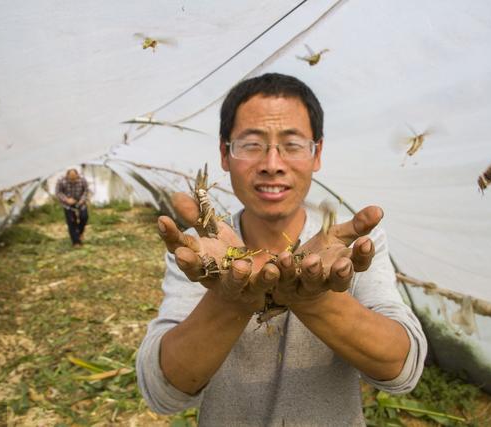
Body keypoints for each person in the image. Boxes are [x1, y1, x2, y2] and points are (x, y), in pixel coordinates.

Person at [136, 73, 427, 426]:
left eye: (292, 145)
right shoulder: (202, 251)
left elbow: (402, 368)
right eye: (251, 144)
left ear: (316, 153)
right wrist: (230, 300)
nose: (272, 164)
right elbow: (163, 389)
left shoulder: (348, 248)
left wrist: (314, 299)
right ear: (224, 154)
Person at [55, 168, 89, 246]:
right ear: (67, 176)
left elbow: (86, 191)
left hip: (80, 202)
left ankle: (79, 232)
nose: (73, 180)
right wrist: (66, 199)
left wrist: (81, 200)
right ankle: (76, 242)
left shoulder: (82, 180)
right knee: (71, 221)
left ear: (77, 175)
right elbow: (58, 192)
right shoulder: (61, 181)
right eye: (71, 178)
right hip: (67, 204)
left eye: (74, 178)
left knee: (84, 217)